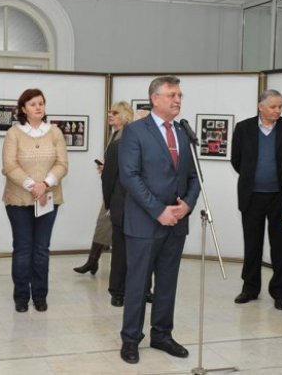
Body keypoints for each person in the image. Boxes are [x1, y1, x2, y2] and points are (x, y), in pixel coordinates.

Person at [118, 76, 200, 364]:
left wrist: (187, 205)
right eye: (172, 95)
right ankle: (131, 338)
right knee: (138, 283)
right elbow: (129, 176)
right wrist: (159, 210)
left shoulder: (182, 133)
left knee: (168, 281)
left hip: (177, 223)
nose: (177, 100)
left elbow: (194, 177)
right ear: (155, 98)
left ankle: (162, 335)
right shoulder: (135, 132)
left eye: (180, 95)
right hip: (144, 223)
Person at [230, 89, 282, 310]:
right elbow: (237, 160)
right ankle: (250, 288)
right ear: (261, 106)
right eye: (273, 106)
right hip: (251, 196)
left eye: (280, 106)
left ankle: (280, 292)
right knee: (252, 244)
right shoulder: (243, 128)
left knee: (280, 246)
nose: (278, 110)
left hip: (281, 197)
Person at [2, 88, 68, 313]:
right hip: (18, 200)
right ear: (23, 109)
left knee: (41, 249)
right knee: (22, 249)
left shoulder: (55, 132)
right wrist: (32, 186)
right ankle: (21, 297)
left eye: (41, 103)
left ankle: (40, 296)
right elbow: (9, 166)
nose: (38, 107)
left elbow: (62, 164)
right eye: (32, 104)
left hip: (49, 199)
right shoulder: (14, 133)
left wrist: (45, 185)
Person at [72, 103, 131, 276]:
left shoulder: (127, 135)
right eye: (109, 112)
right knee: (103, 224)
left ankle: (94, 262)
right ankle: (92, 262)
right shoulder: (115, 134)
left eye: (114, 113)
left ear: (124, 115)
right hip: (113, 189)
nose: (110, 115)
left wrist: (109, 169)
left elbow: (129, 164)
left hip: (122, 192)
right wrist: (107, 168)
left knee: (107, 225)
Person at [99, 101, 135, 307]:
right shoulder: (116, 145)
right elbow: (108, 178)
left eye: (114, 113)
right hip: (121, 204)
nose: (110, 116)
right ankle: (117, 291)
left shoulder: (139, 143)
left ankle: (141, 289)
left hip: (141, 207)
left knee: (141, 252)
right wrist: (110, 205)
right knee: (120, 250)